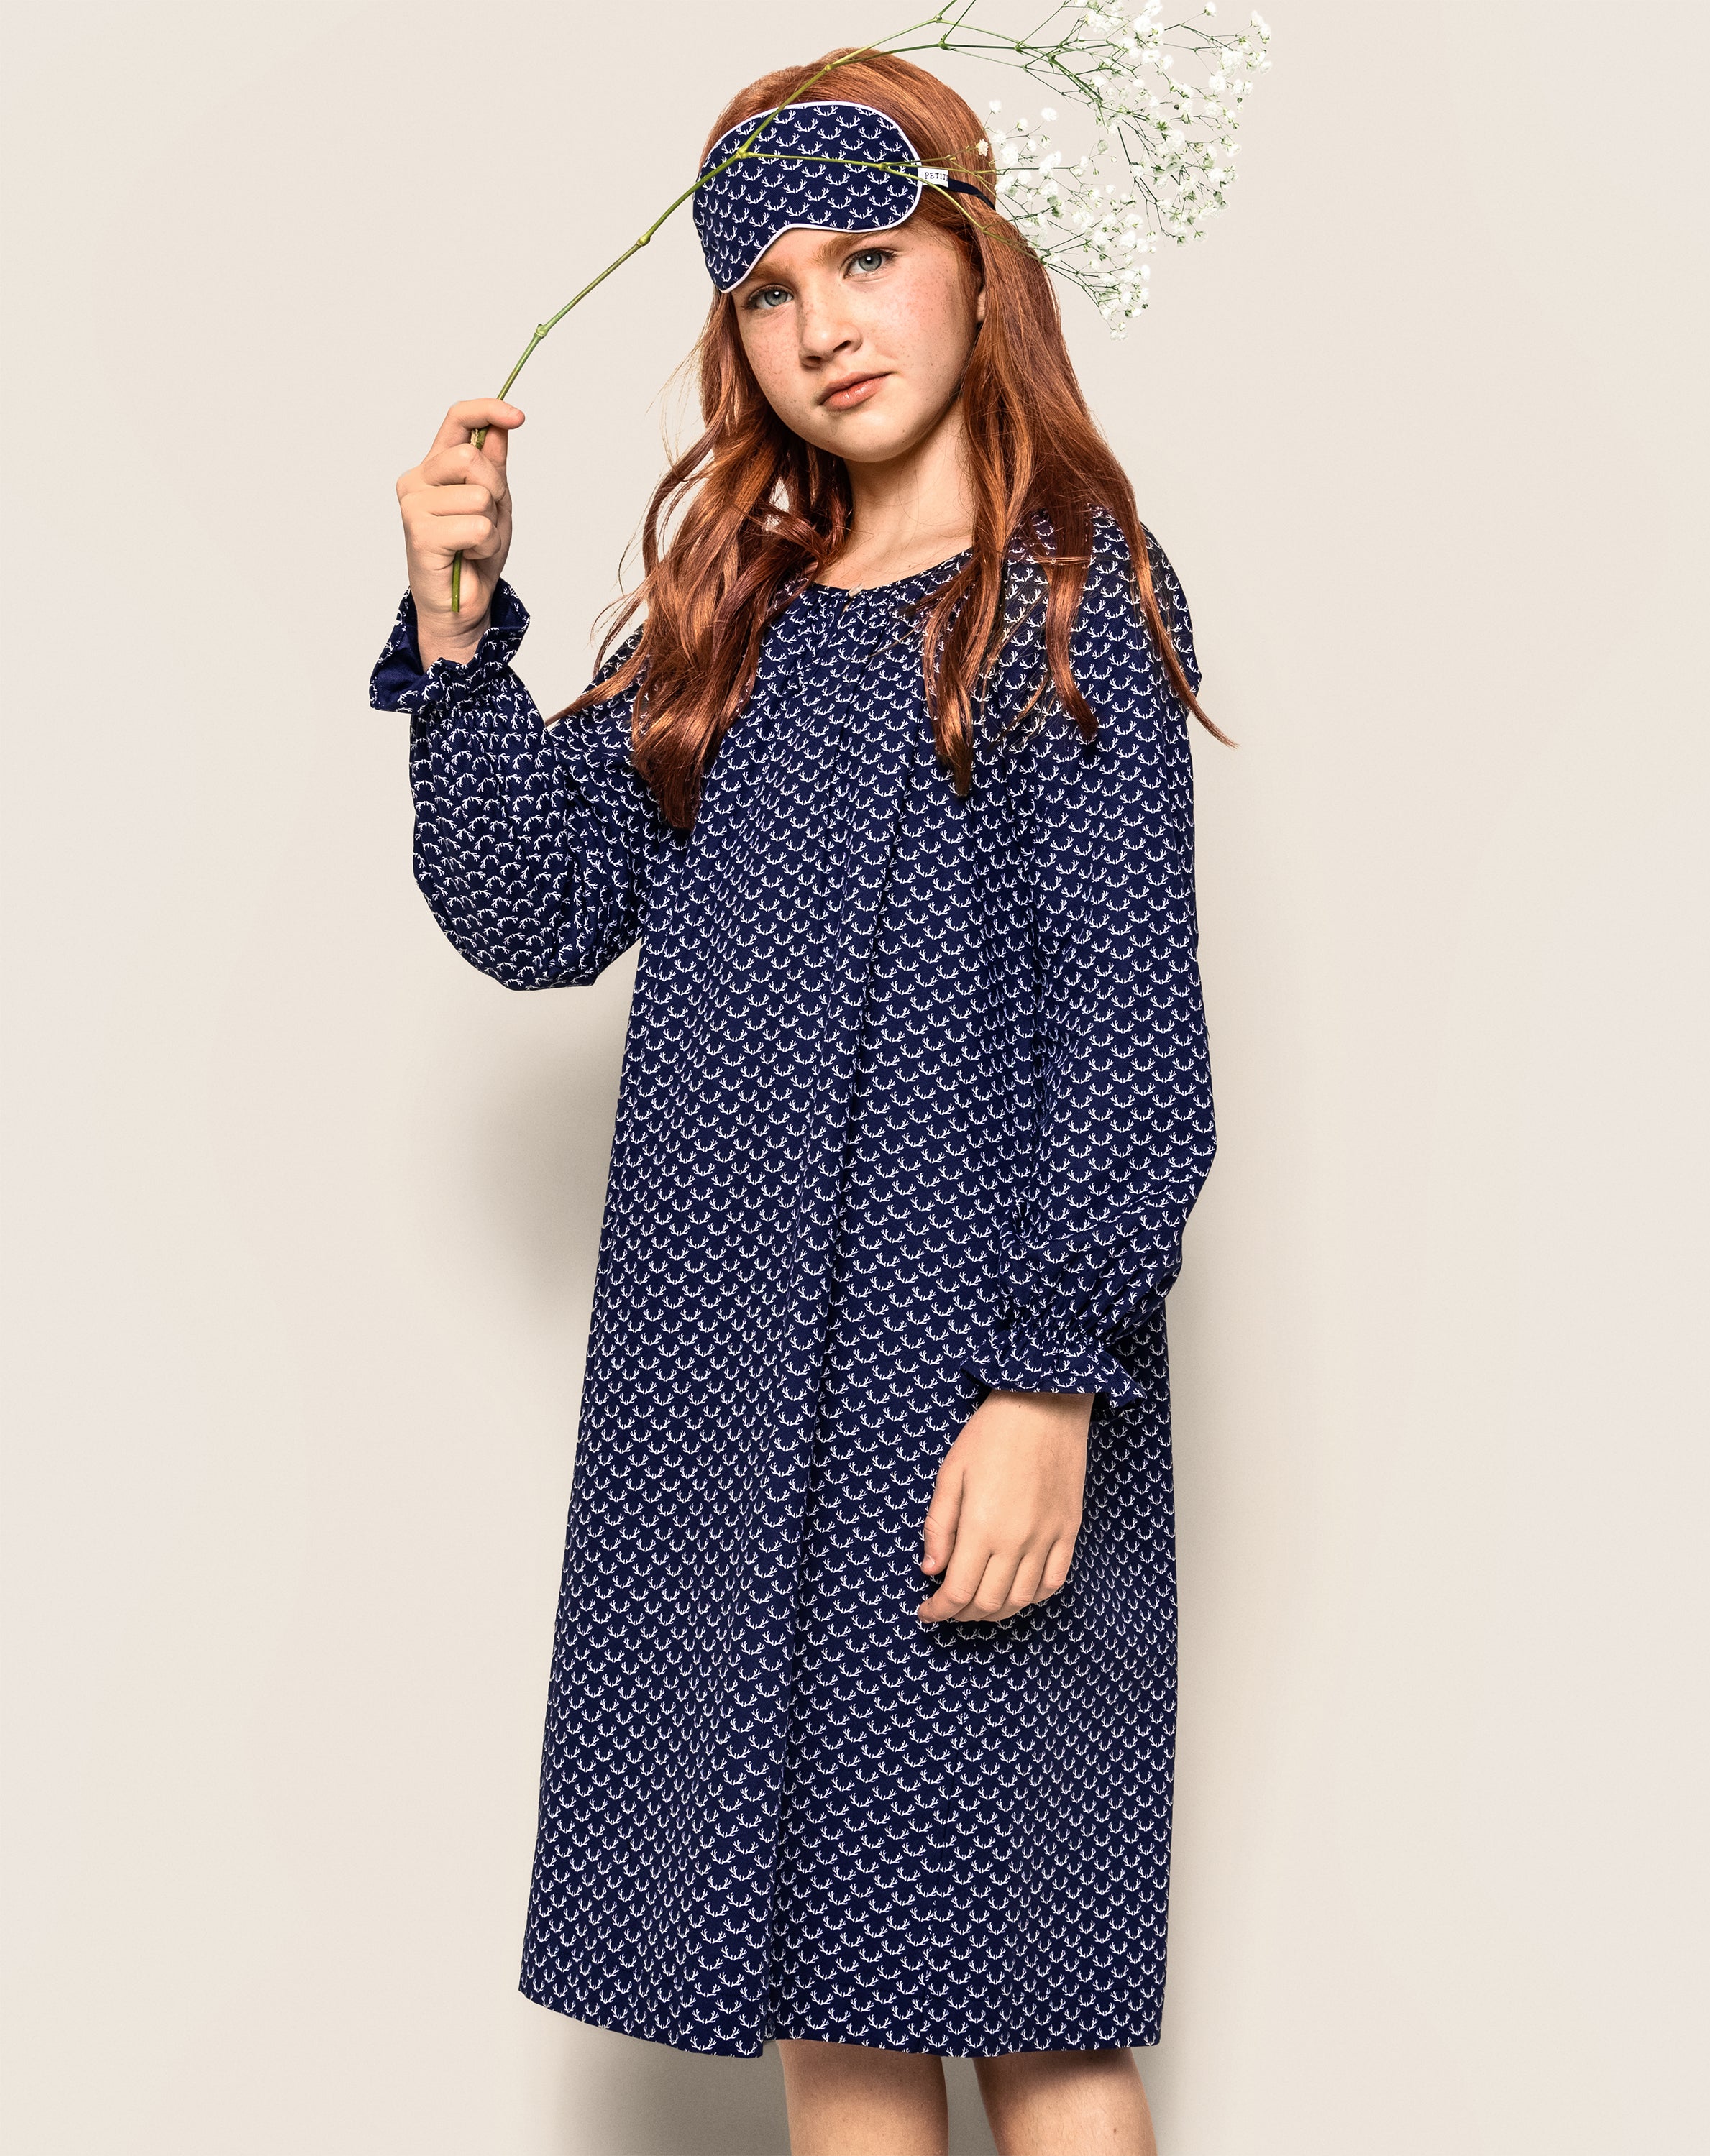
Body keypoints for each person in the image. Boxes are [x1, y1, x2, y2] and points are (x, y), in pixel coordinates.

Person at [372, 48, 1222, 2156]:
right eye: (765, 289)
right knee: (828, 2006)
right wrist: (458, 630)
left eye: (866, 255)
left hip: (969, 1391)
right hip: (728, 1403)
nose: (823, 321)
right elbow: (530, 907)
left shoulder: (1067, 597)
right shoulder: (725, 622)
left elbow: (1133, 1041)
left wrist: (1047, 1386)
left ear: (976, 259)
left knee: (1030, 1998)